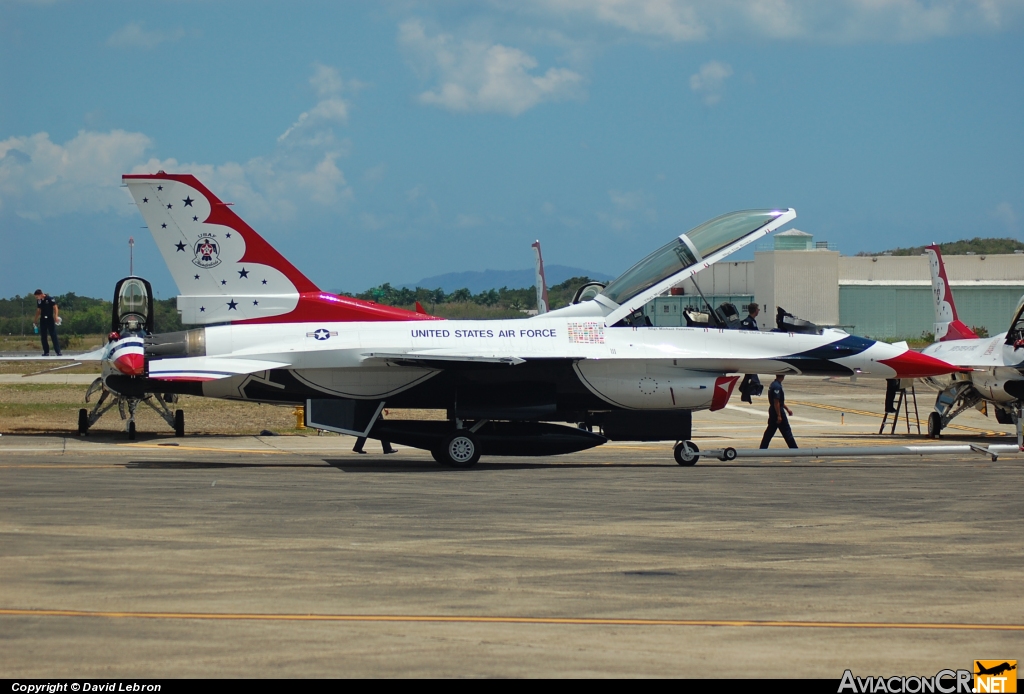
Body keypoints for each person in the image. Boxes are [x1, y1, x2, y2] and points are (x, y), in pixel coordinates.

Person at [759, 374, 798, 449]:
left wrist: (787, 409)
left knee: (770, 431)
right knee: (786, 431)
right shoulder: (777, 386)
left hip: (774, 410)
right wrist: (779, 415)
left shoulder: (774, 384)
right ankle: (794, 448)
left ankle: (763, 448)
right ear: (783, 376)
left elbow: (779, 401)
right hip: (777, 411)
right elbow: (776, 402)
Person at [738, 303, 763, 403]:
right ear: (755, 310)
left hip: (746, 351)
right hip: (749, 351)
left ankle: (745, 393)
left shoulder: (746, 322)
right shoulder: (751, 323)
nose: (759, 311)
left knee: (749, 374)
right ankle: (746, 391)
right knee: (752, 374)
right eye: (758, 309)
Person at [33, 289, 61, 357]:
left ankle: (58, 351)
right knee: (43, 336)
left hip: (50, 318)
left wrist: (56, 316)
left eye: (37, 297)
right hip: (43, 319)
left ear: (40, 294)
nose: (37, 298)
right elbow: (38, 310)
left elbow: (55, 307)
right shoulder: (39, 301)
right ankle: (46, 352)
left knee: (53, 335)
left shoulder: (50, 299)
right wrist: (35, 320)